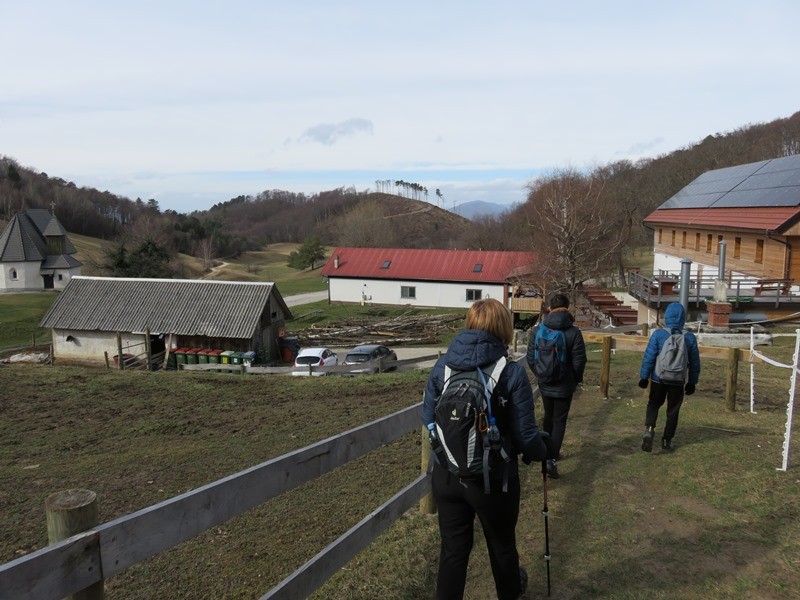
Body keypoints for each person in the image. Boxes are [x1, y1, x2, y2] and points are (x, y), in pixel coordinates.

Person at [423, 298, 551, 600]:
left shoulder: (442, 366)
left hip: (447, 474)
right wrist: (543, 451)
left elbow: (428, 418)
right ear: (504, 328)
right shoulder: (511, 372)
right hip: (494, 481)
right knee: (502, 546)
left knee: (453, 551)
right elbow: (525, 436)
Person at [526, 292, 587, 479]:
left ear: (550, 308)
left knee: (548, 417)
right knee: (559, 421)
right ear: (567, 307)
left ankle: (546, 453)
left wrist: (540, 374)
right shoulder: (574, 332)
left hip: (545, 383)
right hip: (564, 385)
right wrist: (574, 380)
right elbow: (579, 361)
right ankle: (552, 459)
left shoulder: (537, 330)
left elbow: (530, 357)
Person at [638, 302, 701, 452]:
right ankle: (667, 440)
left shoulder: (659, 335)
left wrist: (644, 377)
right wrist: (692, 382)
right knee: (673, 410)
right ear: (682, 318)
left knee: (653, 404)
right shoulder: (690, 338)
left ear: (666, 316)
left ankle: (650, 429)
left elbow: (649, 357)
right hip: (678, 381)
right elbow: (695, 362)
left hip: (658, 378)